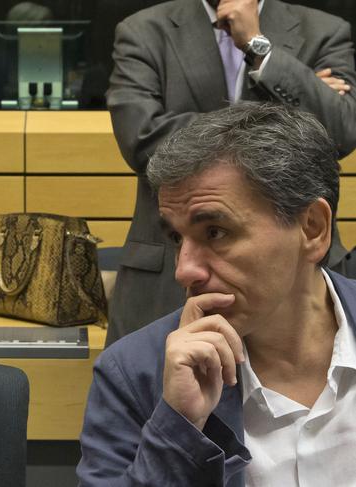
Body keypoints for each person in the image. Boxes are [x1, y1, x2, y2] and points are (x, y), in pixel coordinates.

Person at [78, 102, 356, 486]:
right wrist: (178, 428)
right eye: (177, 238)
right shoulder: (135, 374)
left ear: (311, 229)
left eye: (215, 232)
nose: (184, 270)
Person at [105, 0, 356, 346]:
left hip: (295, 272)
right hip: (165, 276)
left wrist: (258, 46)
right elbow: (142, 139)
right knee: (156, 392)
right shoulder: (144, 30)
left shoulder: (324, 30)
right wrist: (294, 88)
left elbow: (340, 132)